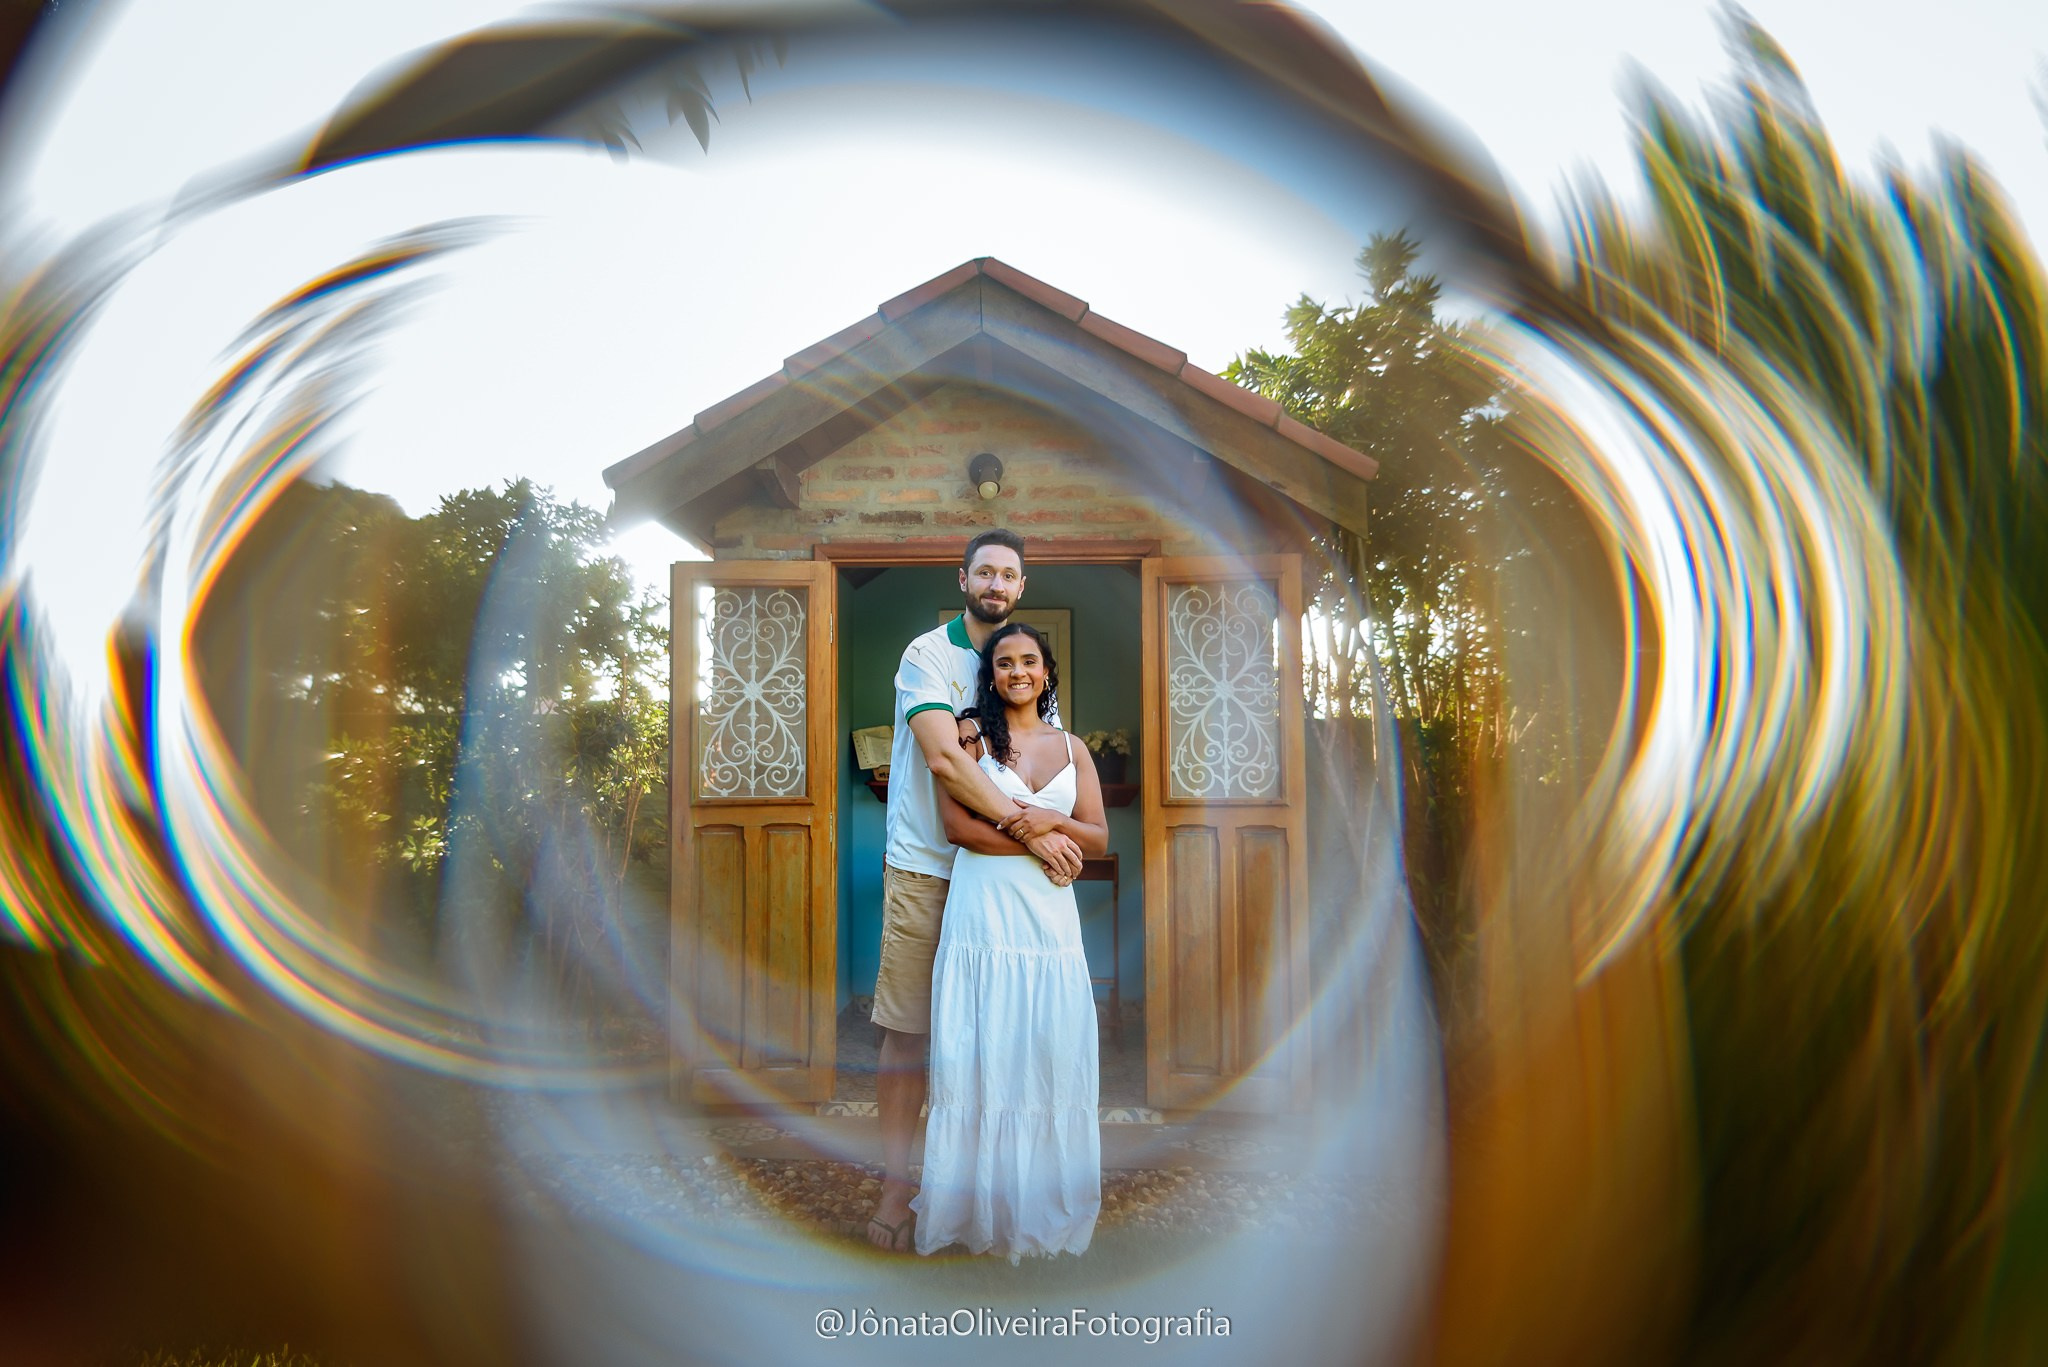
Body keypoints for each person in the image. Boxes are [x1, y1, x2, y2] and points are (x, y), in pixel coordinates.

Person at [865, 531, 1084, 1253]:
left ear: (1022, 586)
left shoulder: (1019, 674)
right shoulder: (927, 655)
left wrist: (1039, 835)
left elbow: (1039, 770)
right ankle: (899, 1184)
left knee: (995, 1041)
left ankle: (987, 1187)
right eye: (984, 570)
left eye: (1009, 574)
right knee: (910, 1032)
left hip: (1006, 887)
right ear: (964, 577)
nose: (995, 582)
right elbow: (942, 762)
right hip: (931, 866)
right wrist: (1034, 831)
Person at [913, 621, 1108, 1261]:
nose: (1016, 672)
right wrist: (1040, 842)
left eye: (1029, 661)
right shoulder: (972, 738)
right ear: (990, 675)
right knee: (984, 1046)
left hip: (1049, 922)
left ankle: (1040, 1209)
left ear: (1046, 671)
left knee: (1047, 1047)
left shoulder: (1074, 748)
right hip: (985, 913)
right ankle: (977, 1214)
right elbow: (957, 826)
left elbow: (1099, 838)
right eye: (1003, 662)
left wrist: (1054, 820)